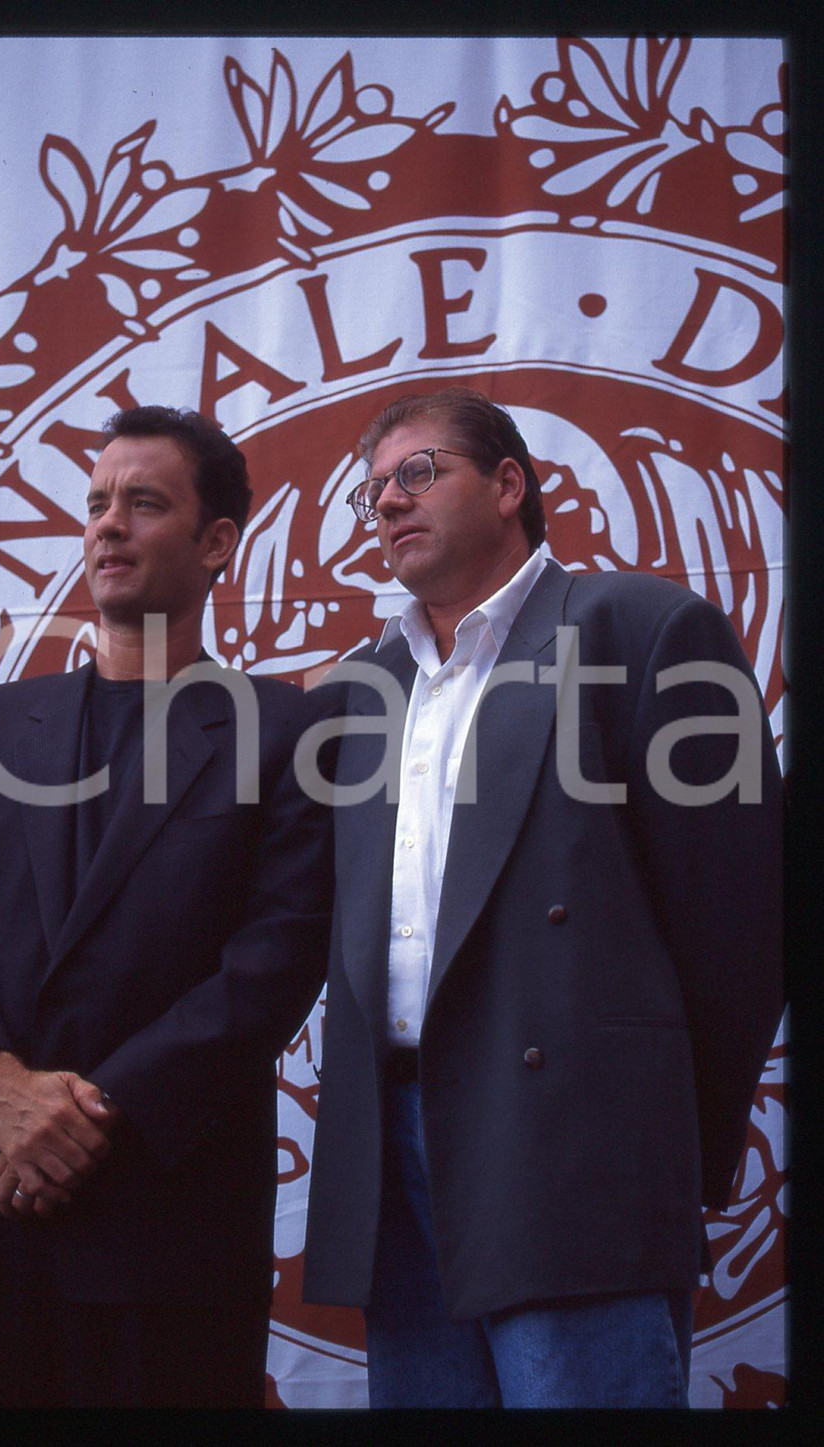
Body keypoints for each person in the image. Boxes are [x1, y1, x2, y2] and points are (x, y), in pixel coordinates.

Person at [301, 386, 784, 1408]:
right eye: (371, 491)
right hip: (389, 1146)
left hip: (573, 1138)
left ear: (509, 483)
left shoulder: (643, 627)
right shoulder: (358, 686)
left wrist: (664, 1139)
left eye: (417, 473)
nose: (387, 503)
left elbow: (739, 919)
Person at [0, 405, 333, 1408]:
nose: (106, 525)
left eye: (143, 502)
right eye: (94, 503)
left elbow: (276, 960)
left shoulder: (287, 728)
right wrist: (1, 1098)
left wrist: (82, 1118)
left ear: (217, 542)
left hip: (166, 1228)